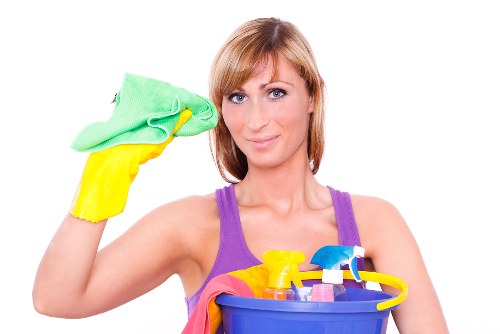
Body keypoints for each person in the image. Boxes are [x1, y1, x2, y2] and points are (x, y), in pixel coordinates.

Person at [32, 17, 448, 333]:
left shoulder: (376, 223)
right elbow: (57, 298)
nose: (255, 120)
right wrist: (100, 181)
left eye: (276, 92)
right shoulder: (193, 225)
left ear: (313, 95)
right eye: (237, 97)